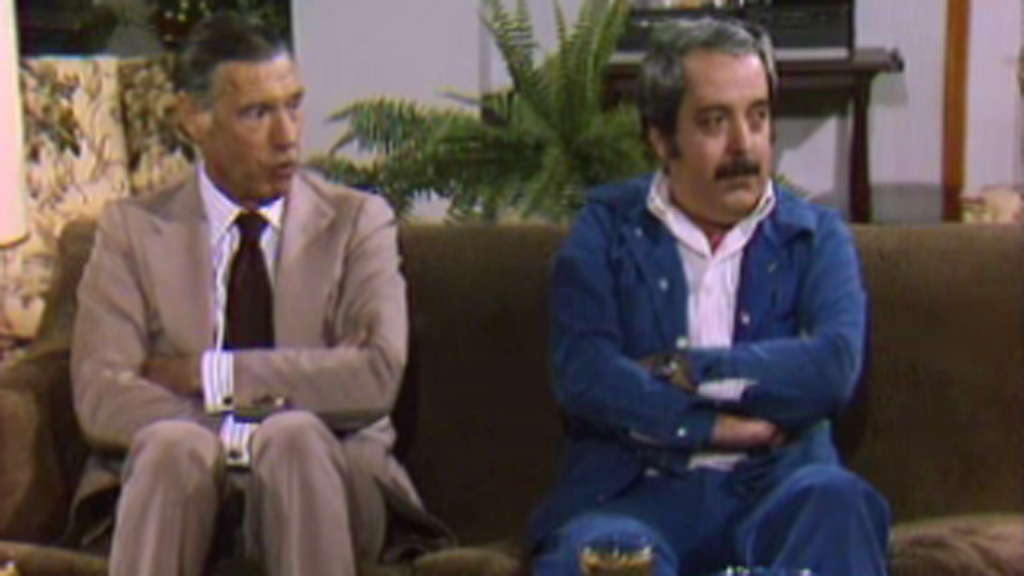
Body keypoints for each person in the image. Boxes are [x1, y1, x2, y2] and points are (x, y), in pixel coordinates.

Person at [69, 12, 449, 576]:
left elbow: (373, 376)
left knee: (294, 439)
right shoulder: (132, 230)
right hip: (178, 480)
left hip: (328, 479)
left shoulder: (356, 223)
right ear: (193, 119)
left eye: (294, 105)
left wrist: (212, 375)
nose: (287, 136)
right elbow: (103, 394)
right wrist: (234, 435)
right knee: (173, 446)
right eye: (257, 113)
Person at [529, 18, 889, 576]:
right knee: (599, 557)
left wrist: (688, 371)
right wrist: (708, 428)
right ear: (660, 138)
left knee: (838, 505)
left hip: (780, 484)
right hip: (636, 493)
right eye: (715, 122)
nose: (744, 144)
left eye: (758, 117)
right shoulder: (605, 231)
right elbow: (586, 373)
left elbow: (831, 367)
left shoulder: (817, 238)